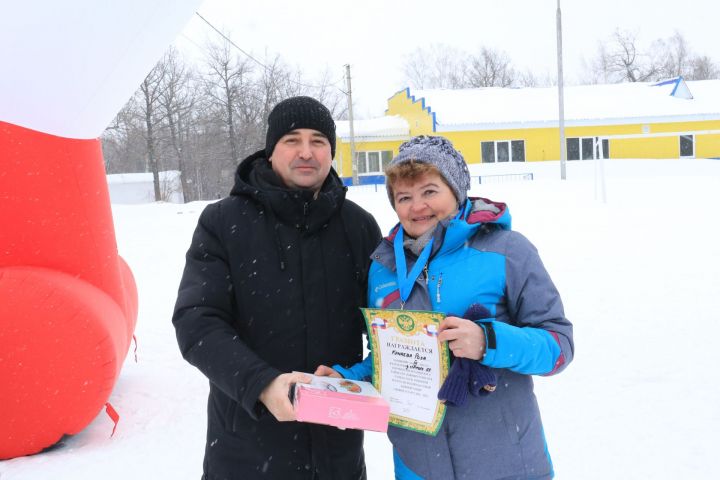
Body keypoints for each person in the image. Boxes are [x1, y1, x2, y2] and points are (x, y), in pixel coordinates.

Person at [316, 135, 574, 479]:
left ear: (456, 190)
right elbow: (391, 357)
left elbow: (559, 347)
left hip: (505, 462)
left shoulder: (507, 251)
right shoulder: (384, 268)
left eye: (429, 191)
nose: (416, 206)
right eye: (404, 197)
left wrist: (489, 342)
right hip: (418, 464)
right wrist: (346, 380)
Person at [172, 96, 382, 480]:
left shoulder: (359, 227)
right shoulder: (223, 222)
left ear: (331, 151)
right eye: (292, 139)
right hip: (245, 452)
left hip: (337, 454)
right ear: (271, 151)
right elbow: (197, 321)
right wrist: (262, 384)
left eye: (318, 140)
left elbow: (388, 325)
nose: (306, 152)